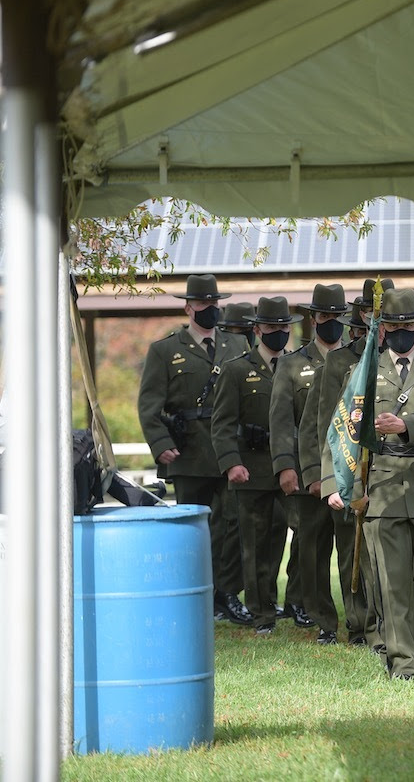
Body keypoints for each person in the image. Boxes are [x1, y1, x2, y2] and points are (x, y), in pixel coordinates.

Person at [324, 288, 414, 679]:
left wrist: (407, 425)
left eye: (408, 326)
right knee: (390, 581)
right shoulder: (365, 371)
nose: (401, 332)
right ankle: (403, 661)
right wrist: (336, 484)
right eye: (393, 326)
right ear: (383, 329)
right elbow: (341, 428)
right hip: (382, 487)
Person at [137, 273, 251, 625]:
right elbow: (148, 404)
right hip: (189, 453)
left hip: (230, 451)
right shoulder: (165, 350)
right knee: (192, 529)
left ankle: (226, 593)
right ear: (188, 307)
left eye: (213, 304)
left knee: (234, 526)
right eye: (202, 304)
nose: (209, 310)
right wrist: (160, 444)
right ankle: (193, 592)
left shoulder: (237, 346)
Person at [301, 277, 393, 645]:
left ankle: (386, 622)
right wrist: (328, 479)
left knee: (387, 553)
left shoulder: (406, 361)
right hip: (350, 467)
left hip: (390, 469)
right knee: (350, 551)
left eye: (384, 314)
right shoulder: (340, 361)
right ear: (362, 314)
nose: (378, 320)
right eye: (372, 312)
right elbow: (325, 422)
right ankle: (358, 624)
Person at [211, 296, 302, 635]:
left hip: (290, 467)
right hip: (251, 467)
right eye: (271, 326)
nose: (278, 332)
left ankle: (281, 602)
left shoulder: (296, 366)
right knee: (253, 544)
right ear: (258, 328)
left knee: (283, 538)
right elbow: (221, 424)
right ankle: (260, 613)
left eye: (283, 327)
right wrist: (231, 463)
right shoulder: (237, 369)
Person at [270, 283, 349, 640]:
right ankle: (324, 621)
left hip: (348, 472)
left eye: (336, 316)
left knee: (350, 550)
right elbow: (282, 420)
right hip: (309, 474)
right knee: (313, 549)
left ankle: (359, 620)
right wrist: (287, 467)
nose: (330, 322)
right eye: (324, 316)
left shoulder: (356, 361)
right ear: (313, 318)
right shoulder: (291, 365)